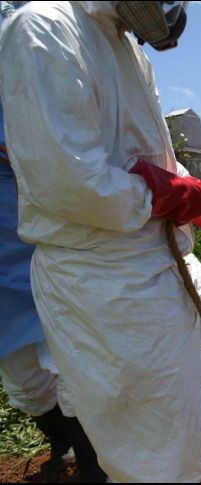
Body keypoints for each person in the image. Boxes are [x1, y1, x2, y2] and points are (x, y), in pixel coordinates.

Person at [0, 2, 201, 481]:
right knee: (162, 464)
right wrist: (158, 193)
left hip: (167, 260)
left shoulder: (129, 48)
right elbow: (64, 181)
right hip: (106, 281)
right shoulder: (43, 30)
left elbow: (165, 165)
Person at [0, 1, 105, 481]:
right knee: (23, 378)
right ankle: (62, 441)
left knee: (67, 359)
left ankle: (91, 460)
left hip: (34, 236)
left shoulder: (22, 40)